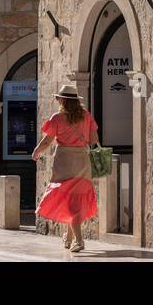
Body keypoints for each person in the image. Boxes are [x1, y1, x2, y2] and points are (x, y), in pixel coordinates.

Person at [31, 84, 98, 253]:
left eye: (58, 98)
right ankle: (69, 238)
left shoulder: (57, 118)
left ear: (63, 100)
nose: (57, 100)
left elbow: (48, 140)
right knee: (75, 200)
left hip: (65, 162)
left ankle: (79, 240)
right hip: (82, 161)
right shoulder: (87, 116)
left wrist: (37, 151)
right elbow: (93, 139)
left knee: (70, 203)